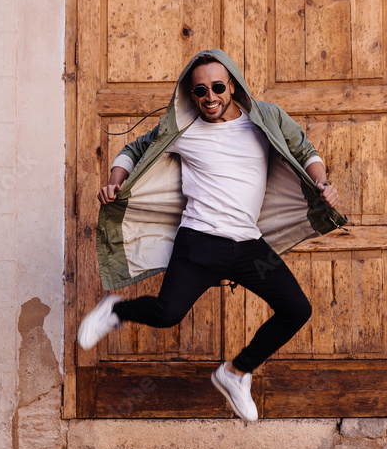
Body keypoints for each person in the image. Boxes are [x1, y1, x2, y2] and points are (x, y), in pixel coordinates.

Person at [78, 49, 344, 424]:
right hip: (198, 243)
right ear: (192, 93)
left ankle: (235, 372)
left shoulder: (263, 121)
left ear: (232, 85)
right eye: (200, 91)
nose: (210, 97)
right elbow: (133, 149)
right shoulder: (182, 130)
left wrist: (322, 183)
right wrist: (113, 183)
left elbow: (304, 149)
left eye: (218, 87)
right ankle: (115, 310)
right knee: (166, 314)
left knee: (297, 309)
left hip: (249, 246)